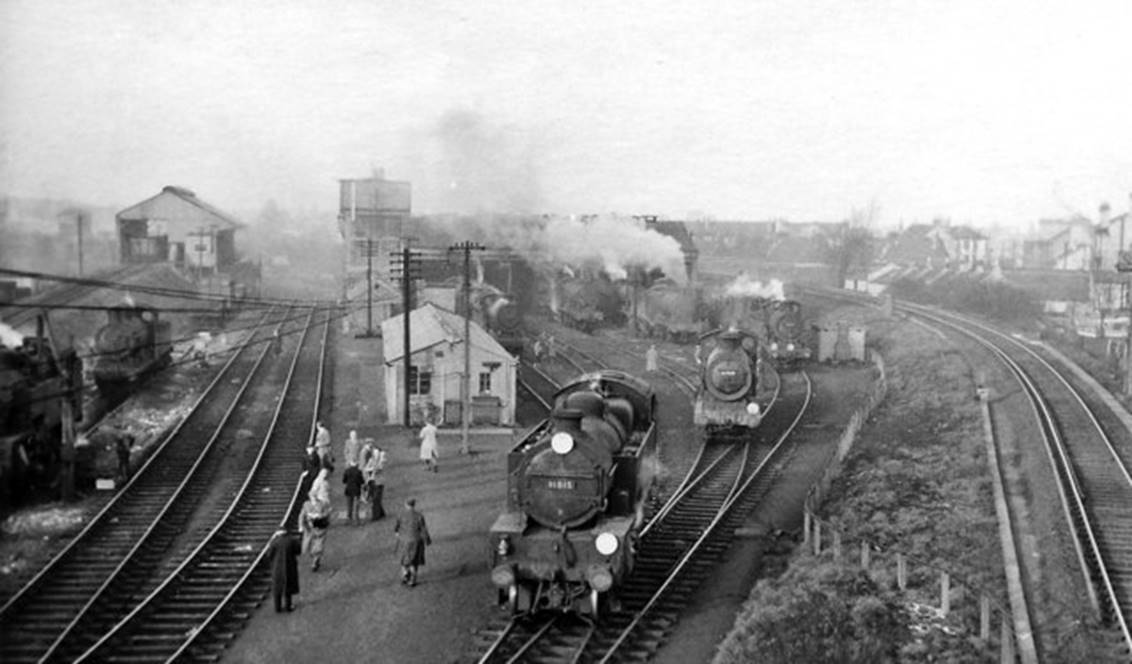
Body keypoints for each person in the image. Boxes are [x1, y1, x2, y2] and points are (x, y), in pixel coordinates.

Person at [394, 498, 431, 587]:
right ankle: (412, 580)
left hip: (403, 540)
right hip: (415, 541)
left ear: (405, 504)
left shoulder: (400, 515)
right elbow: (423, 529)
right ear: (414, 505)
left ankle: (405, 574)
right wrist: (427, 540)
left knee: (403, 560)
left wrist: (398, 534)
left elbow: (396, 528)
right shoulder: (419, 516)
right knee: (414, 561)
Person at [268, 528, 301, 612]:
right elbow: (298, 551)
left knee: (277, 587)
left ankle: (277, 608)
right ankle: (288, 606)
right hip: (290, 566)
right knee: (288, 586)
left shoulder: (274, 542)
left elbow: (269, 555)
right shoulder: (292, 540)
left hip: (277, 568)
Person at [300, 497, 331, 571]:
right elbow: (301, 516)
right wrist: (301, 525)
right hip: (311, 529)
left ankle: (315, 561)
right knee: (311, 546)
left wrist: (320, 516)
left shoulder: (322, 504)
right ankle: (315, 558)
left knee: (318, 545)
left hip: (319, 528)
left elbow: (327, 514)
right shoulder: (307, 504)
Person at [362, 440, 386, 520]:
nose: (375, 455)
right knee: (375, 498)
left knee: (376, 499)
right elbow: (366, 468)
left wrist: (372, 469)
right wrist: (370, 469)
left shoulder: (381, 461)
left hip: (379, 481)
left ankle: (375, 516)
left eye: (376, 453)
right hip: (372, 481)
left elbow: (379, 468)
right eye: (374, 453)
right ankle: (381, 513)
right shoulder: (371, 460)